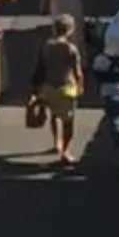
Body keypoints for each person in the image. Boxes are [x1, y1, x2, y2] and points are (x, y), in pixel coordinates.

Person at [31, 15, 85, 165]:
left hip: (48, 86)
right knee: (68, 122)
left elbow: (41, 67)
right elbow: (78, 72)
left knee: (54, 115)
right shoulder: (70, 49)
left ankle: (57, 142)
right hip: (65, 87)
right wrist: (80, 86)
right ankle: (65, 151)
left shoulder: (47, 46)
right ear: (70, 30)